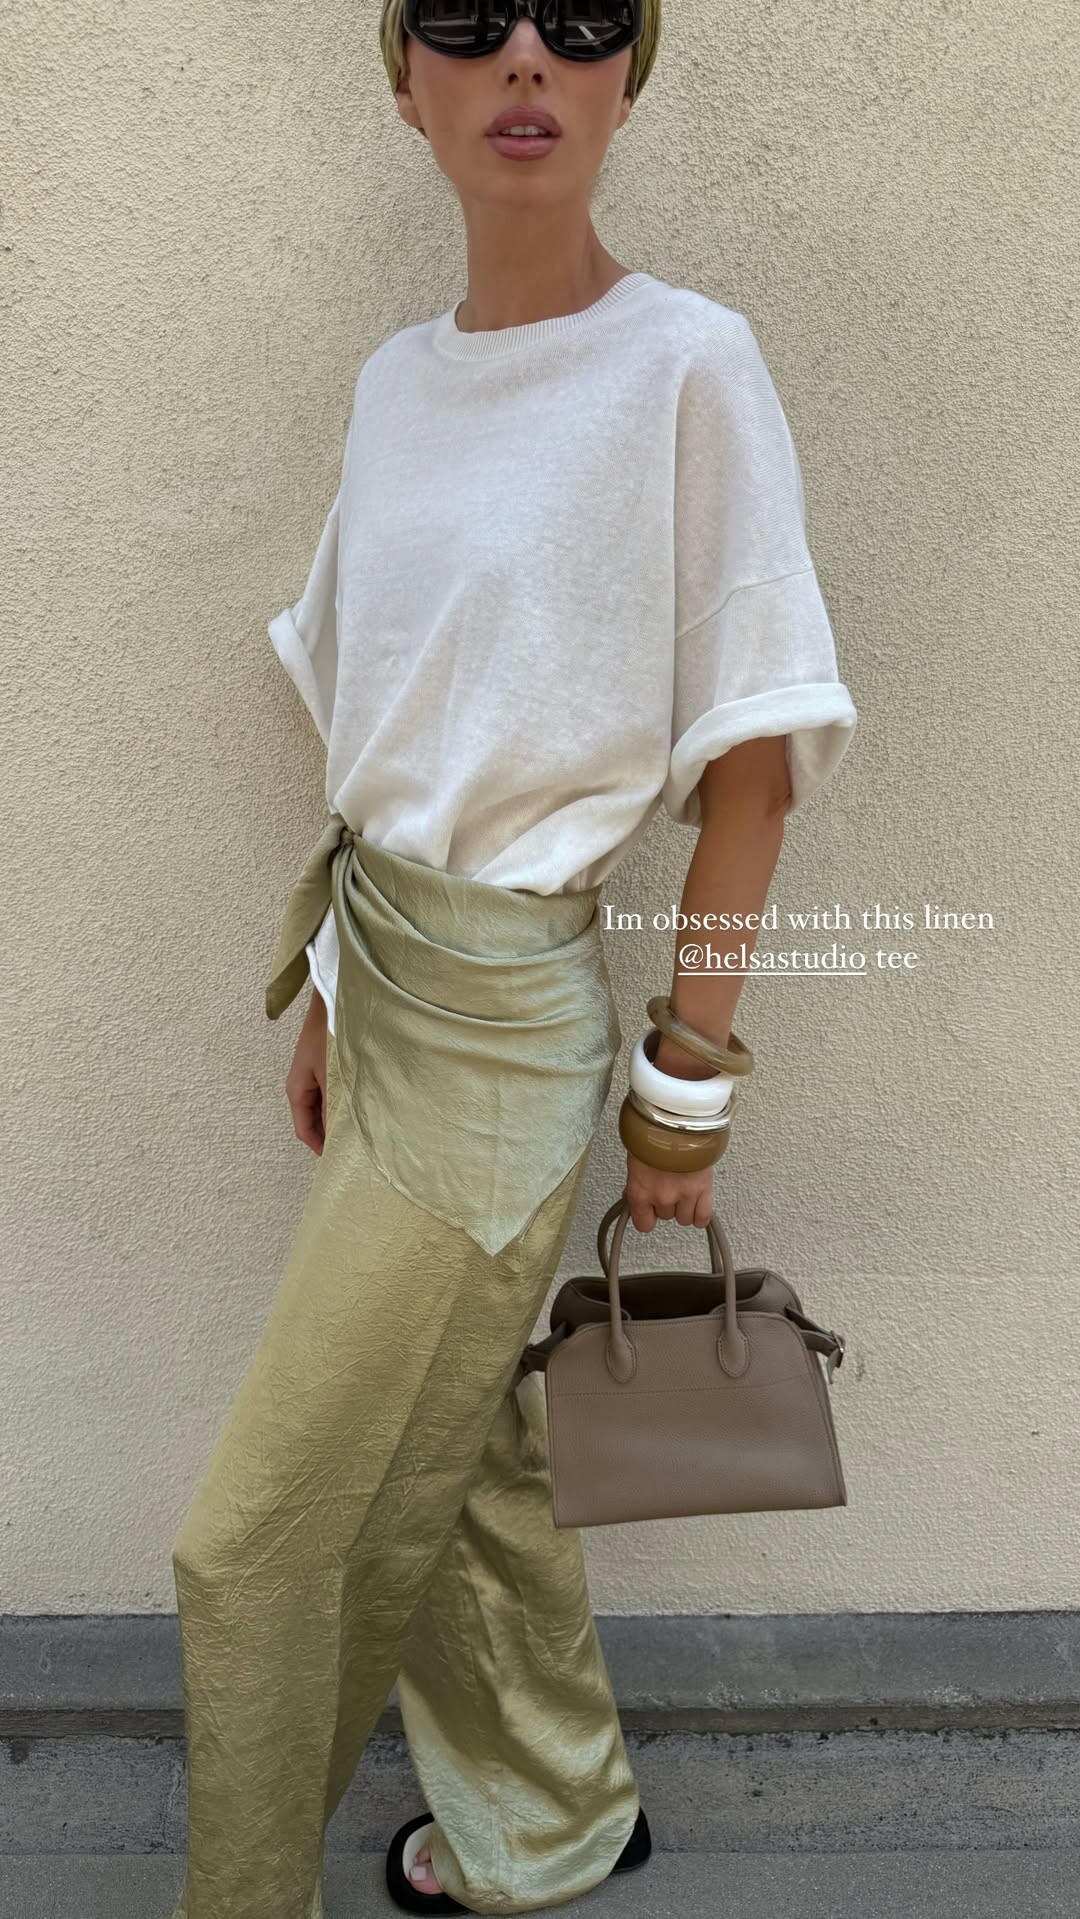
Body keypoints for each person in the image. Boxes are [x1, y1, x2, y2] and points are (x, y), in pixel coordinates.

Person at [168, 1, 858, 1914]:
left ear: (636, 70)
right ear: (407, 80)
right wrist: (327, 992)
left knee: (253, 1544)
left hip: (501, 1038)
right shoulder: (398, 383)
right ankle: (559, 1819)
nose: (529, 59)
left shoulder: (688, 363)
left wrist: (684, 1098)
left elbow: (752, 768)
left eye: (586, 18)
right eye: (471, 19)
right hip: (383, 980)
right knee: (463, 1453)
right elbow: (385, 718)